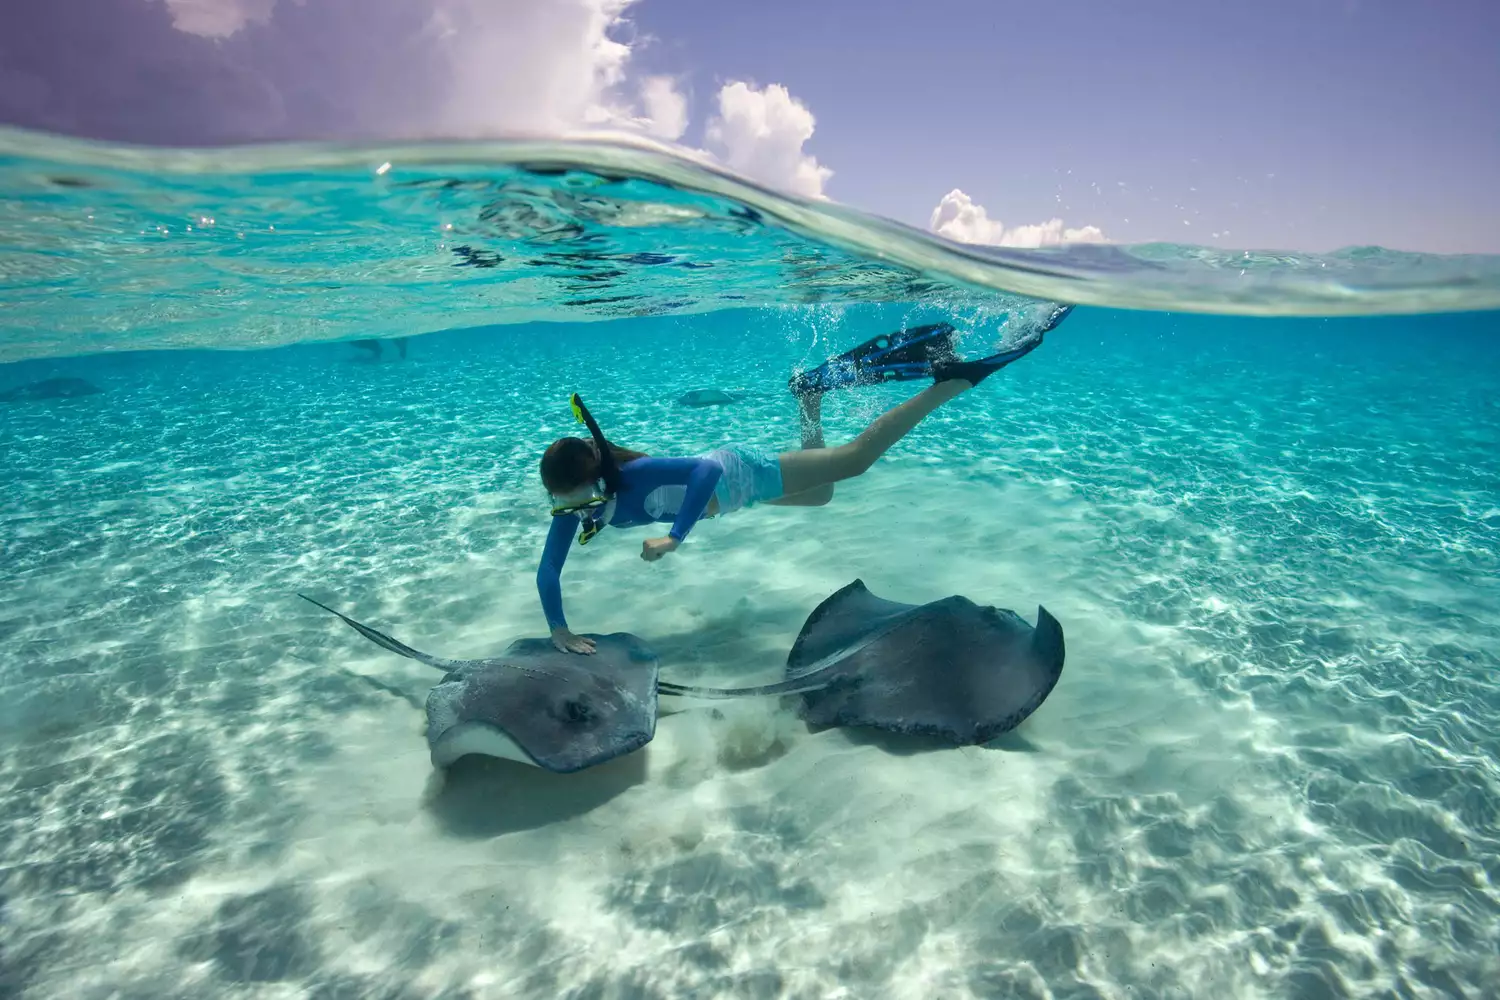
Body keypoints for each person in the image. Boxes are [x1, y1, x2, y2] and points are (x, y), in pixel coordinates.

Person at [537, 308, 1072, 654]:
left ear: (593, 477)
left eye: (569, 495)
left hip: (737, 473)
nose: (566, 507)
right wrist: (559, 629)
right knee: (821, 494)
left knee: (856, 459)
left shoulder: (634, 475)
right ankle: (810, 396)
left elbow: (704, 471)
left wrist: (676, 537)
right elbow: (549, 568)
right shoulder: (581, 507)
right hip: (731, 499)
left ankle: (952, 383)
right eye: (560, 501)